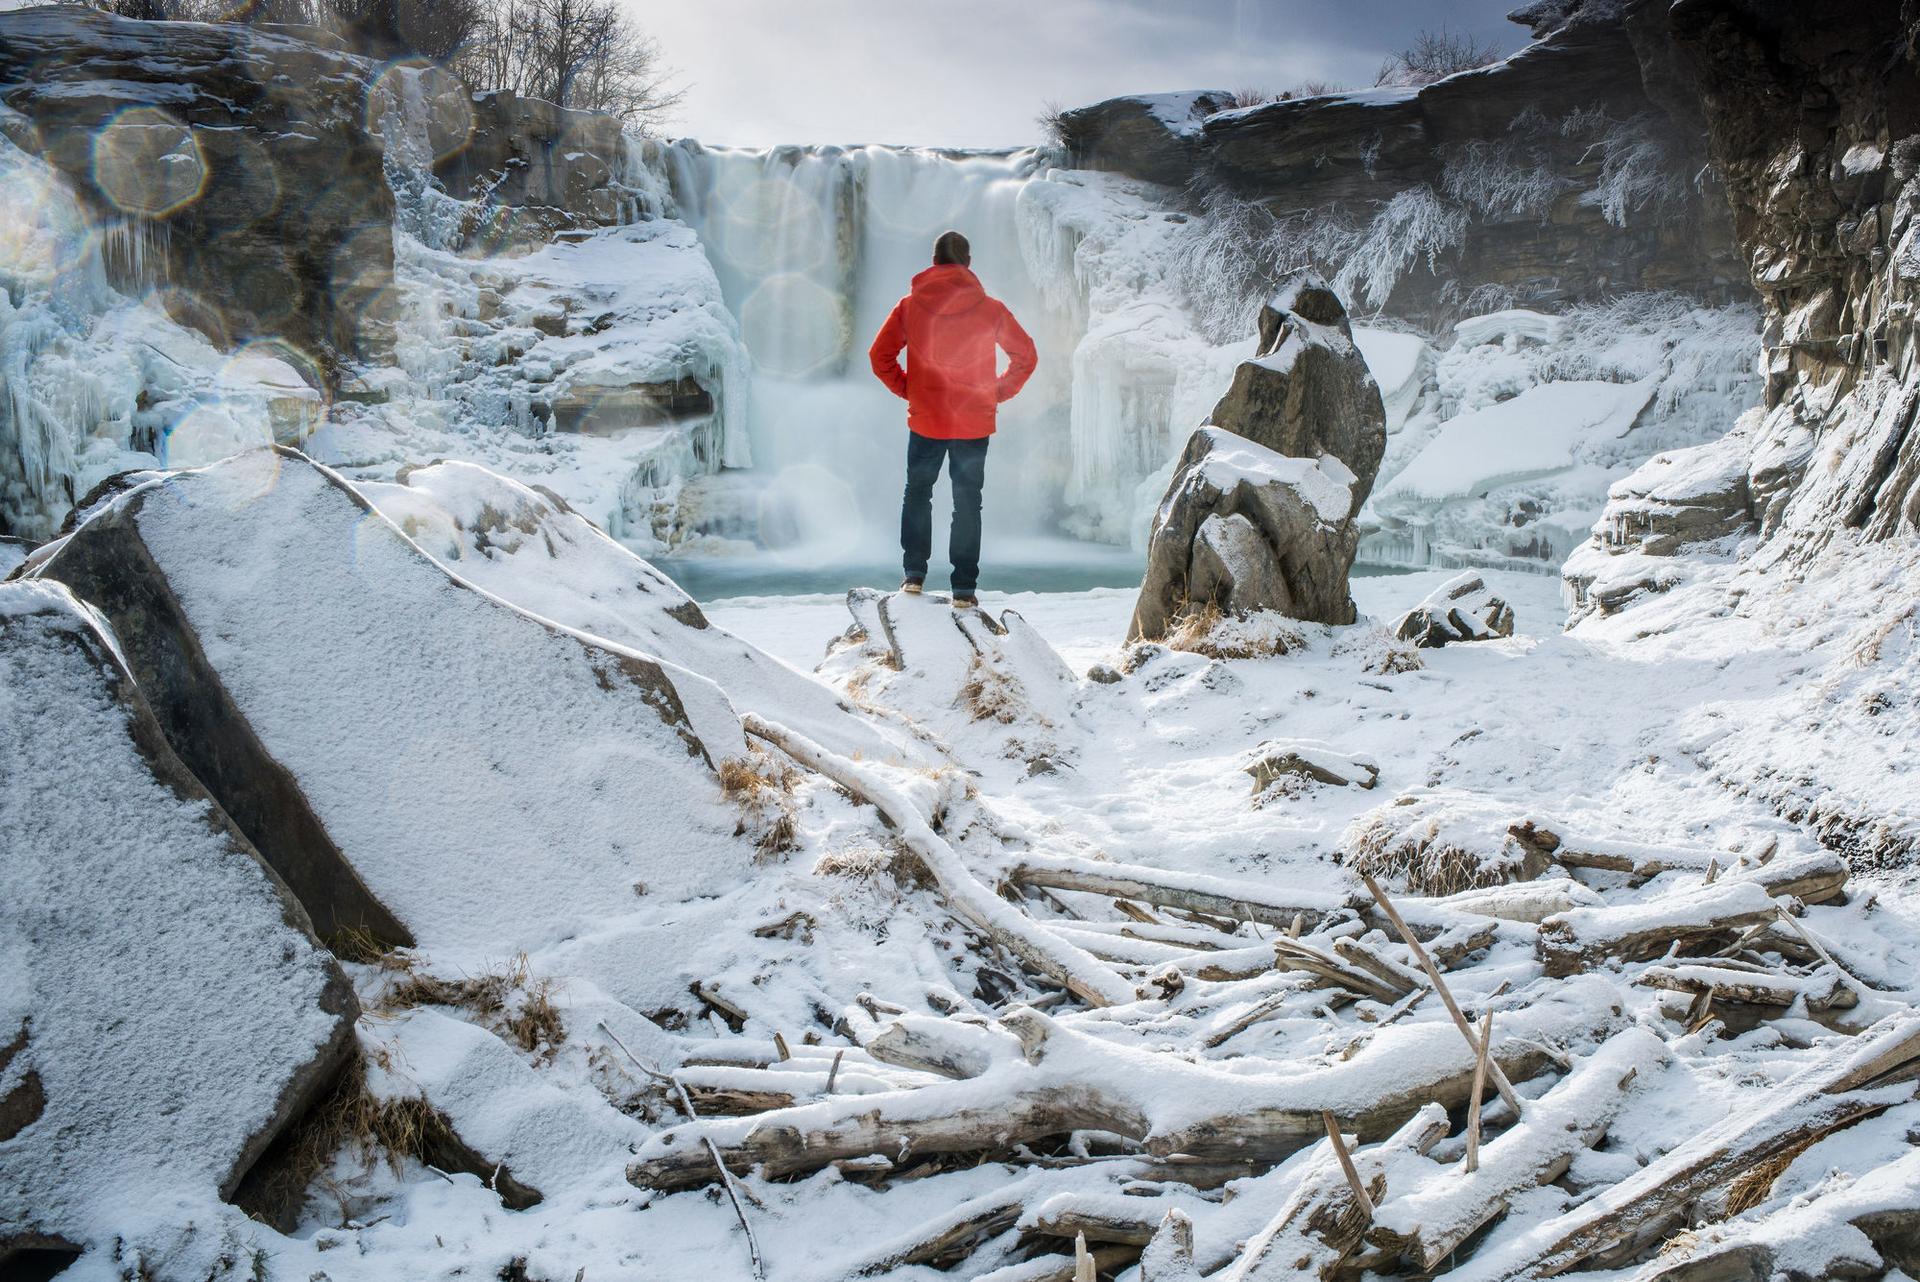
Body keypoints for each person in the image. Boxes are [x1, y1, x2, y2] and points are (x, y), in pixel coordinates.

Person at [868, 229, 1037, 608]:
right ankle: (964, 589)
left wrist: (909, 390)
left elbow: (879, 357)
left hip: (926, 419)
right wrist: (996, 392)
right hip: (973, 422)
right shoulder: (991, 308)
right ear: (968, 263)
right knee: (967, 503)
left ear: (934, 263)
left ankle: (914, 575)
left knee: (917, 494)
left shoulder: (909, 306)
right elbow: (1026, 357)